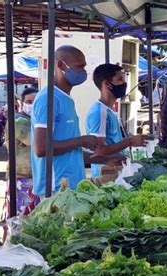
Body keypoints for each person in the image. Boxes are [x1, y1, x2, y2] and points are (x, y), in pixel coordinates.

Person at [31, 45, 123, 197]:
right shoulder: (49, 99)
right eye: (79, 67)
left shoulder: (66, 99)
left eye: (84, 67)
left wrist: (106, 160)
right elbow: (41, 149)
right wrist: (81, 141)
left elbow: (70, 153)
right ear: (61, 65)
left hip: (71, 187)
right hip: (56, 189)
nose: (83, 72)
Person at [86, 63, 146, 179]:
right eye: (120, 79)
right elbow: (99, 151)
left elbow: (112, 140)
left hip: (115, 171)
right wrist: (129, 141)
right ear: (107, 84)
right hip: (104, 174)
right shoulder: (99, 112)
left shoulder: (110, 109)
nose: (124, 83)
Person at [3, 87, 40, 241]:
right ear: (21, 103)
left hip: (34, 179)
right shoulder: (19, 122)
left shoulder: (36, 122)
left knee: (30, 222)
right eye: (28, 102)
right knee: (16, 222)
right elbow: (37, 141)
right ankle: (7, 252)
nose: (31, 105)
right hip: (21, 180)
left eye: (35, 102)